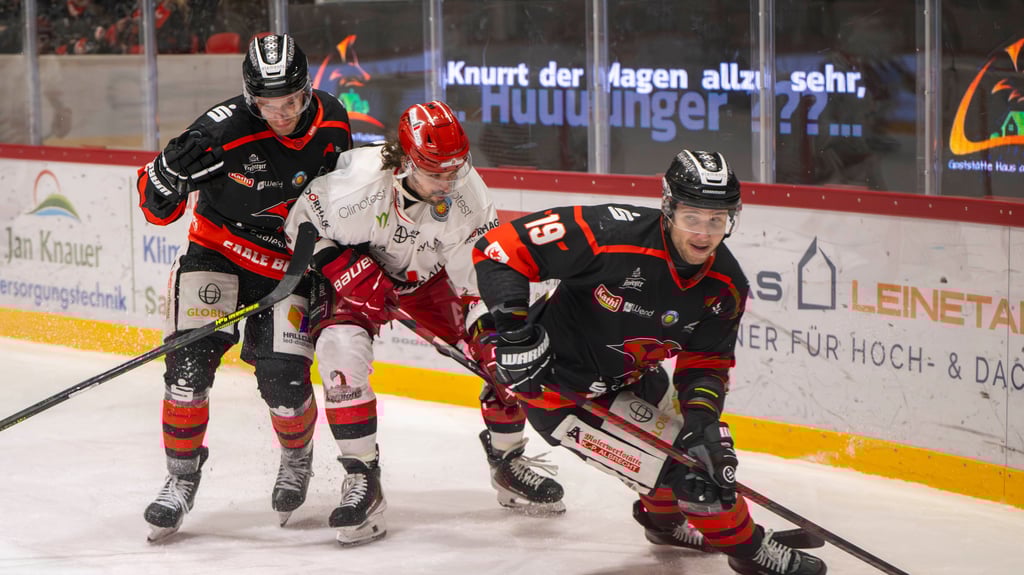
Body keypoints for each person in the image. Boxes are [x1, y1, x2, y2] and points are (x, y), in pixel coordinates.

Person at [471, 149, 827, 575]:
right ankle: (749, 550)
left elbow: (706, 362)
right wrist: (514, 332)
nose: (703, 233)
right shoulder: (608, 231)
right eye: (692, 217)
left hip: (635, 379)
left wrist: (702, 422)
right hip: (560, 392)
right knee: (689, 477)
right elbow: (498, 249)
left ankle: (662, 522)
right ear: (668, 207)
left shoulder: (726, 284)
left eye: (717, 220)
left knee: (702, 456)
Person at [282, 100, 565, 546]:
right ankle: (362, 476)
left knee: (507, 347)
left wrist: (490, 335)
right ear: (406, 162)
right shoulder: (358, 182)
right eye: (436, 173)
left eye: (456, 169)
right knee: (339, 352)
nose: (448, 182)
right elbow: (301, 223)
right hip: (359, 273)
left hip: (429, 279)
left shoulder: (467, 192)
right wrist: (339, 264)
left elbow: (478, 277)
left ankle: (508, 461)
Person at [136, 33, 353, 542]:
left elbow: (347, 197)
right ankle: (180, 478)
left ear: (309, 90)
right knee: (186, 373)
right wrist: (164, 177)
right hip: (219, 255)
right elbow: (154, 207)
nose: (280, 115)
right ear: (249, 97)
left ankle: (296, 458)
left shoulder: (336, 121)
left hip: (289, 268)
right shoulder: (219, 133)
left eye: (292, 102)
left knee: (284, 379)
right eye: (266, 105)